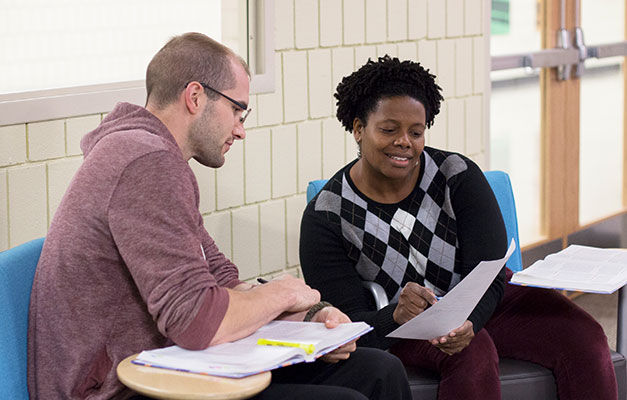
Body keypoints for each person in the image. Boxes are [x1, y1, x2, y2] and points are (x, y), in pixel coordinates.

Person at [27, 33, 411, 400]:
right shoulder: (145, 161)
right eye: (237, 110)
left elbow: (219, 278)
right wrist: (281, 292)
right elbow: (196, 320)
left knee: (378, 370)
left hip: (173, 367)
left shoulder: (154, 157)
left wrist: (310, 316)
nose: (241, 130)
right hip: (123, 388)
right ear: (195, 96)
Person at [299, 55, 618, 400]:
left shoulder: (457, 174)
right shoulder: (326, 216)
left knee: (582, 335)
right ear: (359, 129)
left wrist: (470, 321)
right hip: (405, 325)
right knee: (471, 352)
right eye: (389, 129)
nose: (405, 141)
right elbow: (349, 330)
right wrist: (397, 314)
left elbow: (491, 273)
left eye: (416, 132)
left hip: (484, 302)